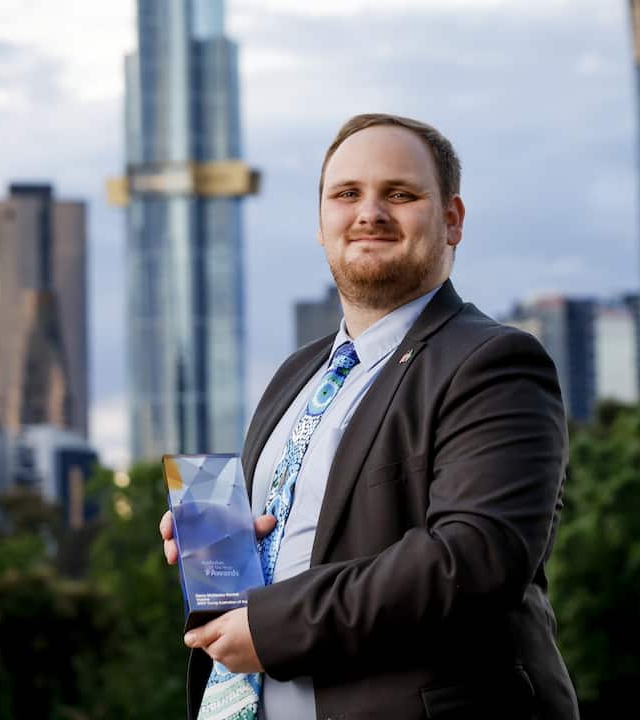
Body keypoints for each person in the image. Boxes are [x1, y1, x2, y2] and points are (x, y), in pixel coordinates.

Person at [160, 113, 579, 719]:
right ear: (322, 222)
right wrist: (218, 553)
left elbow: (472, 560)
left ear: (452, 220)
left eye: (401, 194)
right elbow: (303, 540)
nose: (370, 213)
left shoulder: (495, 364)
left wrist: (274, 626)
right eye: (347, 194)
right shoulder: (294, 376)